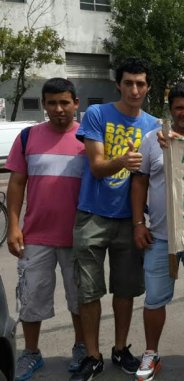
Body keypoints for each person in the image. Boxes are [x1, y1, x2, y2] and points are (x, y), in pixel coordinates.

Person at [70, 58, 158, 381]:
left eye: (141, 83)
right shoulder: (97, 114)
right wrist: (121, 159)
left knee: (125, 290)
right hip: (92, 215)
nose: (135, 89)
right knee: (89, 292)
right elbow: (95, 165)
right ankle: (92, 356)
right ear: (118, 84)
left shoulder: (154, 125)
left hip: (130, 219)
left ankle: (120, 349)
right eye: (129, 83)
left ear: (147, 87)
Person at [131, 83, 184, 381]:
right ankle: (151, 352)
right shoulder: (153, 141)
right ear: (170, 109)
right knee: (154, 298)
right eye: (179, 107)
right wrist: (138, 224)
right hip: (159, 235)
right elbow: (139, 182)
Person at [6, 78, 86, 381]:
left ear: (76, 103)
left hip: (77, 235)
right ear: (44, 106)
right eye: (52, 103)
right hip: (36, 235)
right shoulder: (28, 138)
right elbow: (16, 183)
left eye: (65, 102)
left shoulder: (88, 138)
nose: (59, 109)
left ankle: (81, 347)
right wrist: (13, 225)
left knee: (80, 298)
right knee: (31, 298)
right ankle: (31, 353)